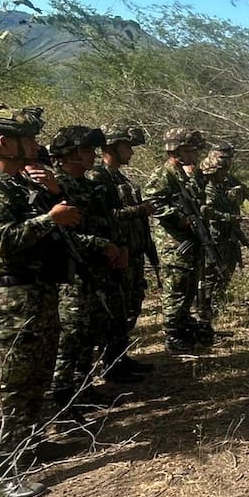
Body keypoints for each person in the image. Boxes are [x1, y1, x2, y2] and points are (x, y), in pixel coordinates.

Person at [0, 104, 118, 497]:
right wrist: (51, 217)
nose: (34, 145)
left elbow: (65, 228)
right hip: (11, 297)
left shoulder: (15, 183)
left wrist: (51, 196)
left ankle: (23, 448)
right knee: (7, 385)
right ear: (2, 142)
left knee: (33, 380)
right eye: (27, 139)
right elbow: (3, 242)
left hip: (38, 292)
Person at [48, 125, 137, 410]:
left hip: (100, 272)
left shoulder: (89, 185)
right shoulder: (56, 187)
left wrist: (120, 246)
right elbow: (61, 233)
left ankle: (83, 388)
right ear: (68, 155)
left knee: (90, 332)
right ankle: (63, 399)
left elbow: (109, 220)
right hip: (74, 275)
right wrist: (101, 245)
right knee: (71, 337)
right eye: (85, 151)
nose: (92, 156)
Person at [89, 122, 156, 374]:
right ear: (112, 147)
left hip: (133, 251)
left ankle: (120, 358)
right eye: (127, 146)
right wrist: (140, 209)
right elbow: (104, 215)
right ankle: (111, 363)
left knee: (131, 306)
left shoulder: (118, 177)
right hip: (115, 256)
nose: (131, 152)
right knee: (114, 313)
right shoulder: (98, 176)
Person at [145, 127, 210, 355]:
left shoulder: (181, 174)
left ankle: (183, 328)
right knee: (176, 290)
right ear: (179, 150)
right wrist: (180, 219)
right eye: (191, 150)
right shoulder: (164, 174)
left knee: (188, 288)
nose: (195, 155)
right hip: (173, 245)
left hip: (186, 243)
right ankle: (173, 334)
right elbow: (152, 202)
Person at [198, 143, 249, 330]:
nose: (227, 165)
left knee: (227, 268)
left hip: (229, 233)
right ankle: (207, 308)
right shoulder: (206, 184)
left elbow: (240, 185)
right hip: (214, 235)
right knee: (212, 272)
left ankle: (218, 303)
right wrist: (227, 217)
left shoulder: (225, 179)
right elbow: (205, 211)